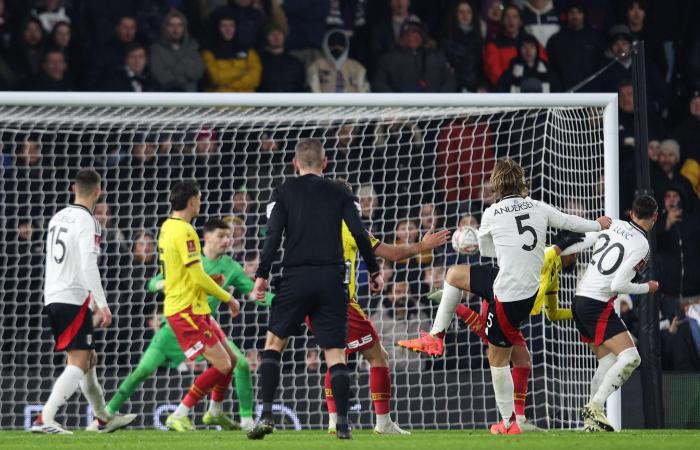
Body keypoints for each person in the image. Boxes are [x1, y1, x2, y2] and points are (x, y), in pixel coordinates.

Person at [399, 159, 609, 434]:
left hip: (507, 293)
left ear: (496, 184)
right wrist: (597, 223)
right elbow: (569, 222)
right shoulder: (538, 206)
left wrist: (468, 244)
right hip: (525, 290)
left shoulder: (492, 212)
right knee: (456, 279)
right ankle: (516, 416)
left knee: (496, 360)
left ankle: (508, 423)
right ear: (521, 182)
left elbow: (486, 252)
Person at [248, 138, 383, 440]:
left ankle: (267, 414)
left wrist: (262, 275)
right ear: (325, 162)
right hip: (332, 279)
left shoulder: (283, 192)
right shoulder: (341, 192)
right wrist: (373, 269)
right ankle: (344, 425)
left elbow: (273, 237)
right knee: (335, 354)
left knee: (273, 345)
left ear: (295, 163)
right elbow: (360, 234)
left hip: (295, 277)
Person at [95, 219, 273, 432]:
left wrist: (287, 302)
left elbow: (254, 293)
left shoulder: (231, 267)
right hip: (174, 327)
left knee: (238, 363)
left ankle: (243, 420)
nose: (227, 241)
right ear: (206, 237)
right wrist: (162, 283)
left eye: (229, 237)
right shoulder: (190, 258)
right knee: (142, 371)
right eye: (222, 236)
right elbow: (152, 282)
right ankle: (104, 417)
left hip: (204, 326)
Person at [319, 179, 449, 435]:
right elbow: (393, 254)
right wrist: (423, 246)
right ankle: (383, 423)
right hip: (342, 302)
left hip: (315, 303)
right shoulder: (351, 228)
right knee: (379, 357)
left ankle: (334, 421)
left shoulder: (311, 229)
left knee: (337, 358)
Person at [32, 169, 136, 434]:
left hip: (53, 294)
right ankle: (45, 419)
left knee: (89, 359)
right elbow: (89, 264)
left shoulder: (57, 218)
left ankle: (103, 418)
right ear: (98, 192)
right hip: (73, 298)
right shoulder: (88, 221)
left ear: (73, 188)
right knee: (78, 362)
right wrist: (101, 304)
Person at [569, 195, 659, 432]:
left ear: (631, 213)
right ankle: (595, 407)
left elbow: (584, 240)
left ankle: (590, 423)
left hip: (579, 300)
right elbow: (618, 285)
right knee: (632, 358)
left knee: (608, 361)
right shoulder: (642, 245)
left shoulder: (614, 224)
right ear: (655, 217)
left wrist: (555, 251)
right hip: (596, 304)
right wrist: (646, 288)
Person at [157, 181, 242, 432]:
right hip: (186, 310)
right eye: (200, 199)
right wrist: (228, 297)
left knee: (232, 360)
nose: (201, 204)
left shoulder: (167, 227)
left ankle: (215, 412)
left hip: (194, 306)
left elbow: (184, 272)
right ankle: (179, 413)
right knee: (223, 365)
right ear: (192, 201)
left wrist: (207, 283)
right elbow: (195, 276)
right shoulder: (185, 231)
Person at [545, 2, 604, 92]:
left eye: (578, 12)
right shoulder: (556, 40)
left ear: (584, 15)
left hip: (590, 93)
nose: (575, 16)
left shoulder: (595, 39)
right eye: (571, 12)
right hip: (564, 92)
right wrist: (558, 90)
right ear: (567, 15)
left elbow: (600, 67)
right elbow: (552, 69)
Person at [201, 14, 262, 92]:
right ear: (217, 28)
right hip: (220, 101)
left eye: (231, 26)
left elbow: (255, 79)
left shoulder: (248, 51)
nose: (228, 29)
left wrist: (232, 84)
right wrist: (240, 71)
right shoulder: (209, 52)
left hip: (245, 101)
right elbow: (216, 78)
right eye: (224, 26)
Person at [148, 10, 205, 92]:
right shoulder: (156, 49)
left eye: (179, 25)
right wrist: (185, 72)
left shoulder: (193, 47)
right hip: (166, 99)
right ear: (165, 27)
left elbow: (198, 72)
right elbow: (159, 75)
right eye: (171, 25)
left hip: (190, 98)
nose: (175, 29)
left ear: (184, 28)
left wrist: (172, 69)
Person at [307, 28, 370, 93]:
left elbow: (364, 91)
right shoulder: (316, 66)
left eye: (340, 44)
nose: (337, 47)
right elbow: (313, 91)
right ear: (326, 45)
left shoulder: (357, 67)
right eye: (333, 44)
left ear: (346, 45)